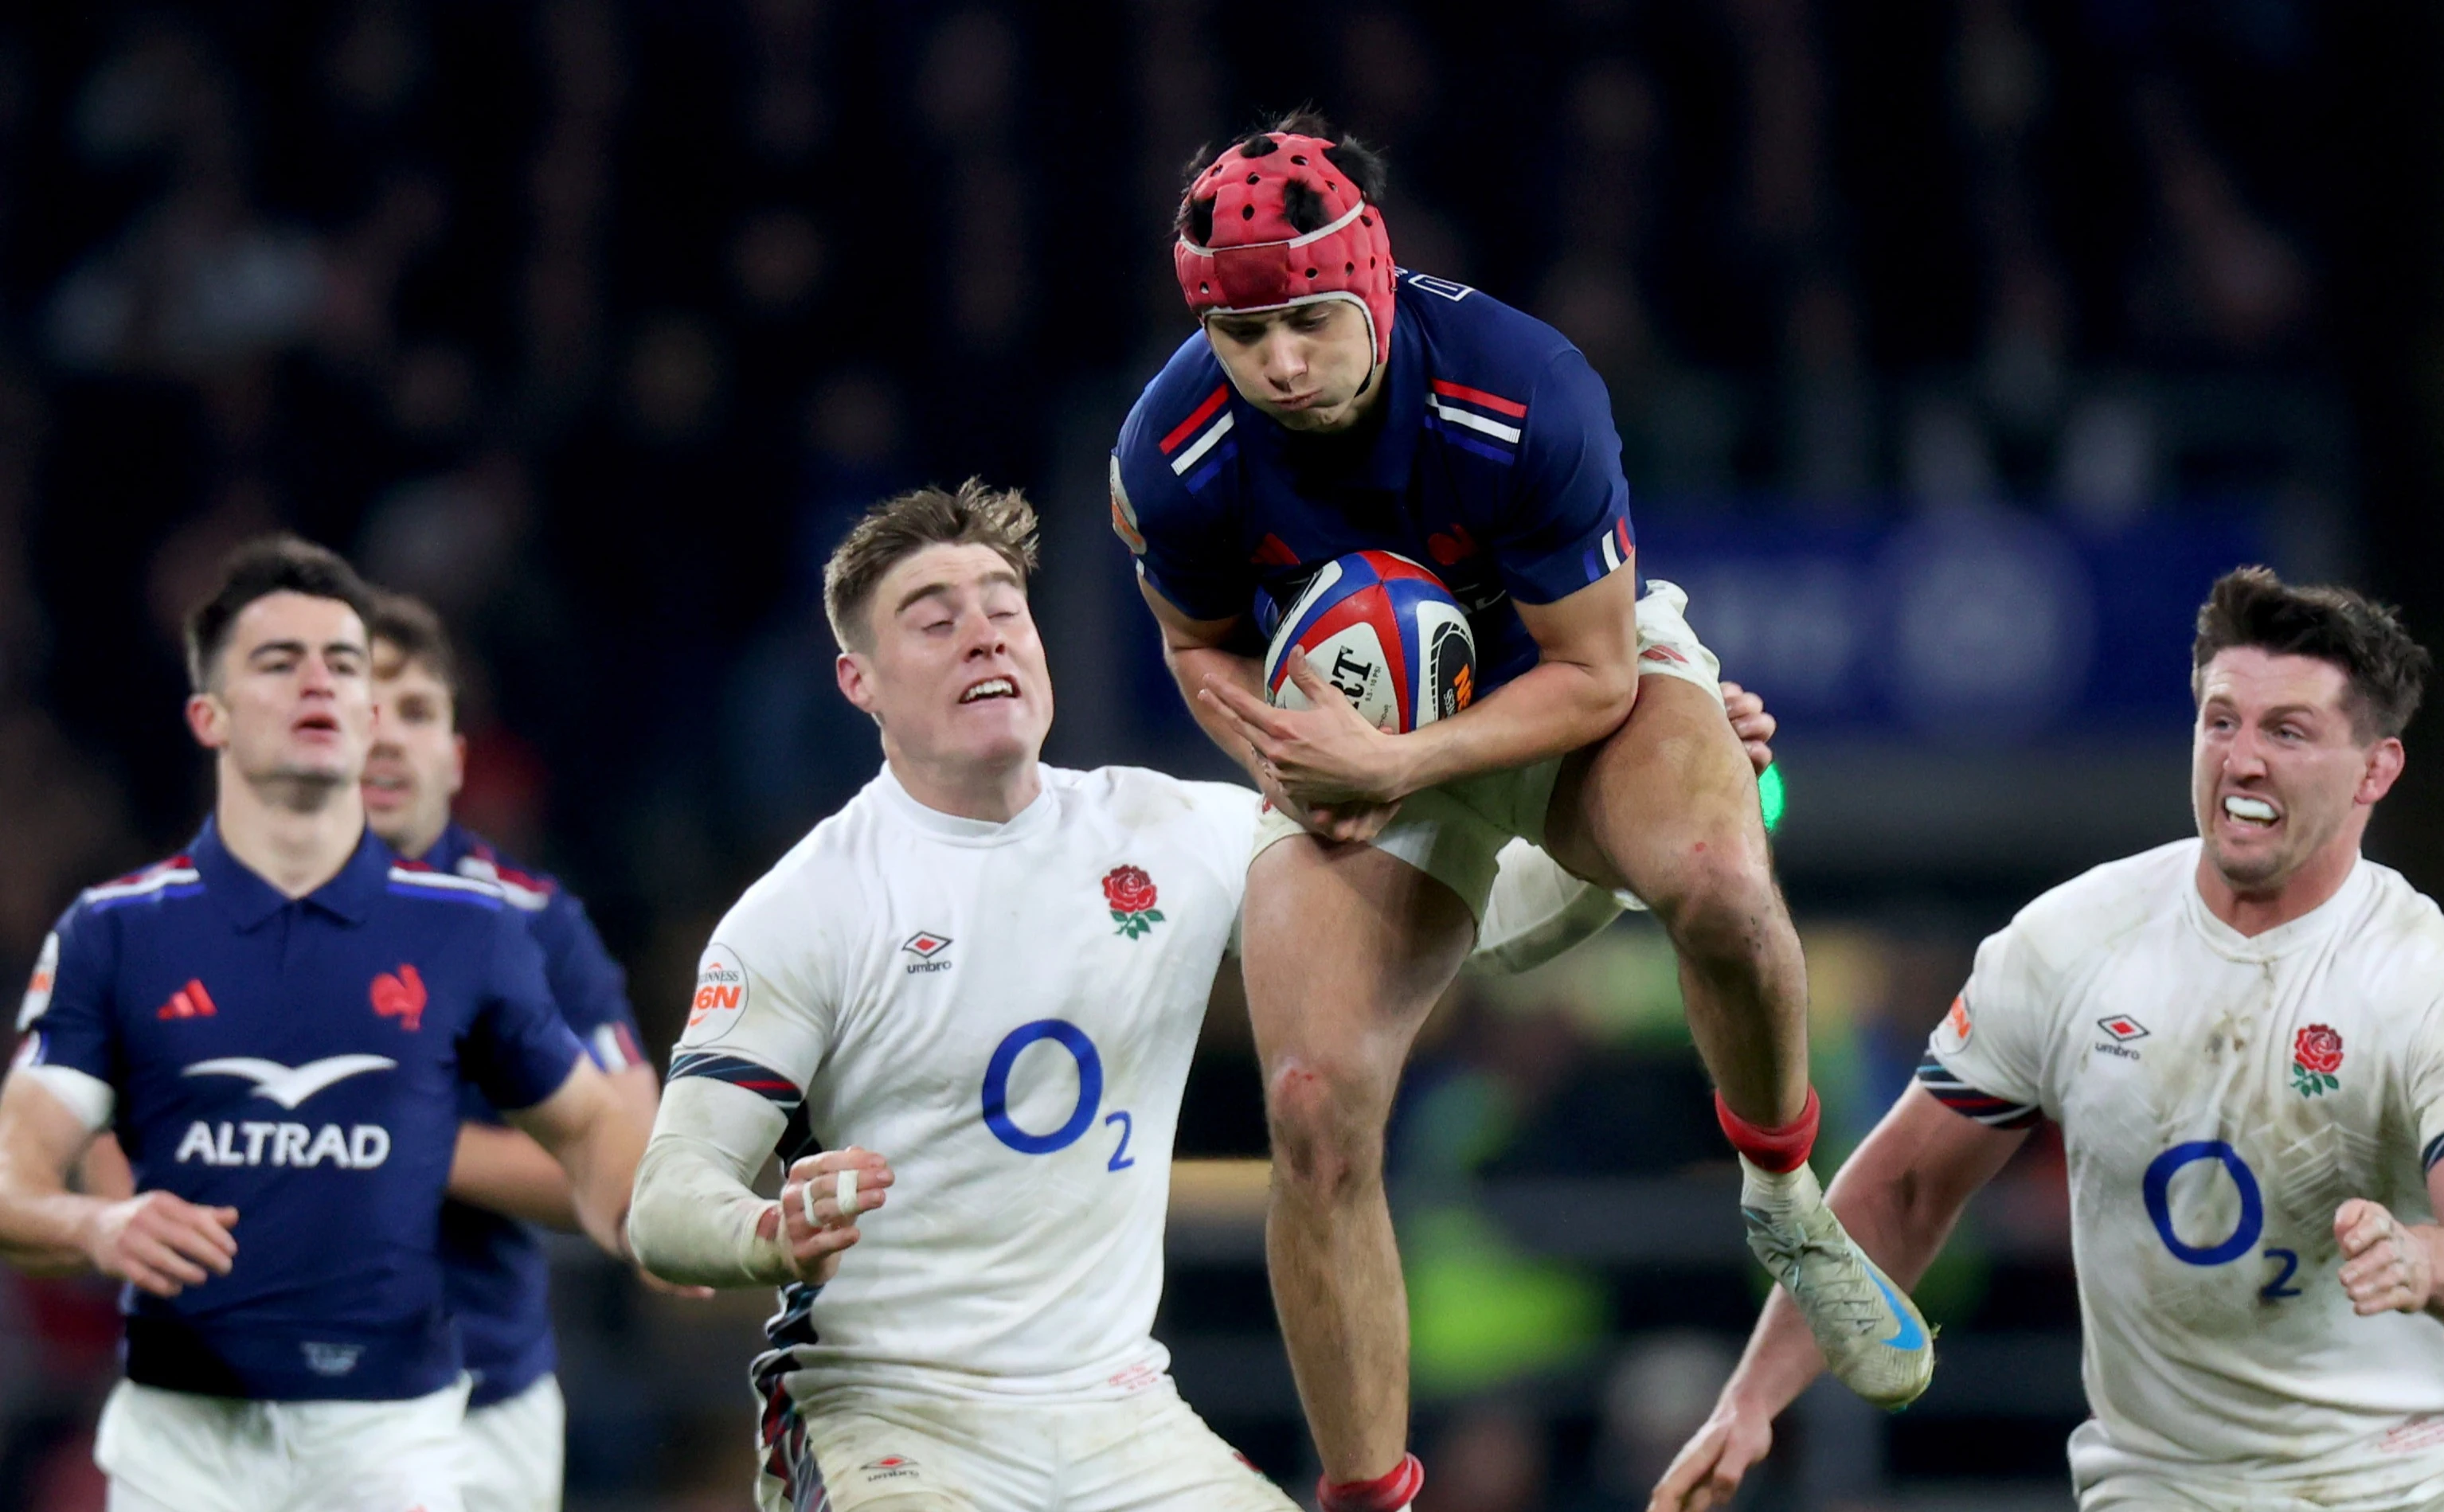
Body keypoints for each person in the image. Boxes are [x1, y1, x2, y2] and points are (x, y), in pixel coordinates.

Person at [626, 481, 1766, 1512]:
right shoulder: (807, 907)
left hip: (1118, 1412)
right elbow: (668, 1197)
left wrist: (1678, 817)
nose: (982, 631)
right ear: (857, 681)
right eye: (934, 617)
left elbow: (1490, 923)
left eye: (1003, 606)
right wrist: (770, 1228)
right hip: (891, 1413)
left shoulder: (1170, 830)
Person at [1108, 110, 1928, 1510]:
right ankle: (1365, 1493)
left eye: (1308, 321)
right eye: (1243, 339)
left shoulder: (1522, 390)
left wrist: (1403, 766)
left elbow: (1598, 671)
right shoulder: (1170, 448)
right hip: (1361, 733)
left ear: (1370, 278)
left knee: (1725, 881)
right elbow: (1196, 644)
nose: (1280, 365)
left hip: (1558, 694)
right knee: (1309, 1102)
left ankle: (1788, 1203)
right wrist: (1293, 757)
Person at [1652, 568, 2444, 1512]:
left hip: (2409, 1478)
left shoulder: (2435, 990)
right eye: (2222, 721)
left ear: (2375, 770)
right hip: (2161, 1487)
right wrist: (1750, 1401)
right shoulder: (2071, 941)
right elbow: (1905, 1187)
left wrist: (2430, 1262)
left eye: (2287, 732)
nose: (2242, 760)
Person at [0, 537, 644, 1512]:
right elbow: (61, 1152)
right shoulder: (124, 930)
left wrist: (682, 1228)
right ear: (208, 716)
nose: (326, 690)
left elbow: (620, 1159)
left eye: (351, 673)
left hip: (460, 1401)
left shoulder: (508, 927)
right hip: (199, 1421)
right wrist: (112, 1216)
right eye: (280, 663)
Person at [360, 589, 671, 1512]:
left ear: (457, 757)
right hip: (265, 1393)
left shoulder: (533, 924)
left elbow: (636, 1172)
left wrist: (407, 1141)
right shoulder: (216, 921)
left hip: (482, 1400)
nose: (386, 739)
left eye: (416, 712)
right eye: (361, 710)